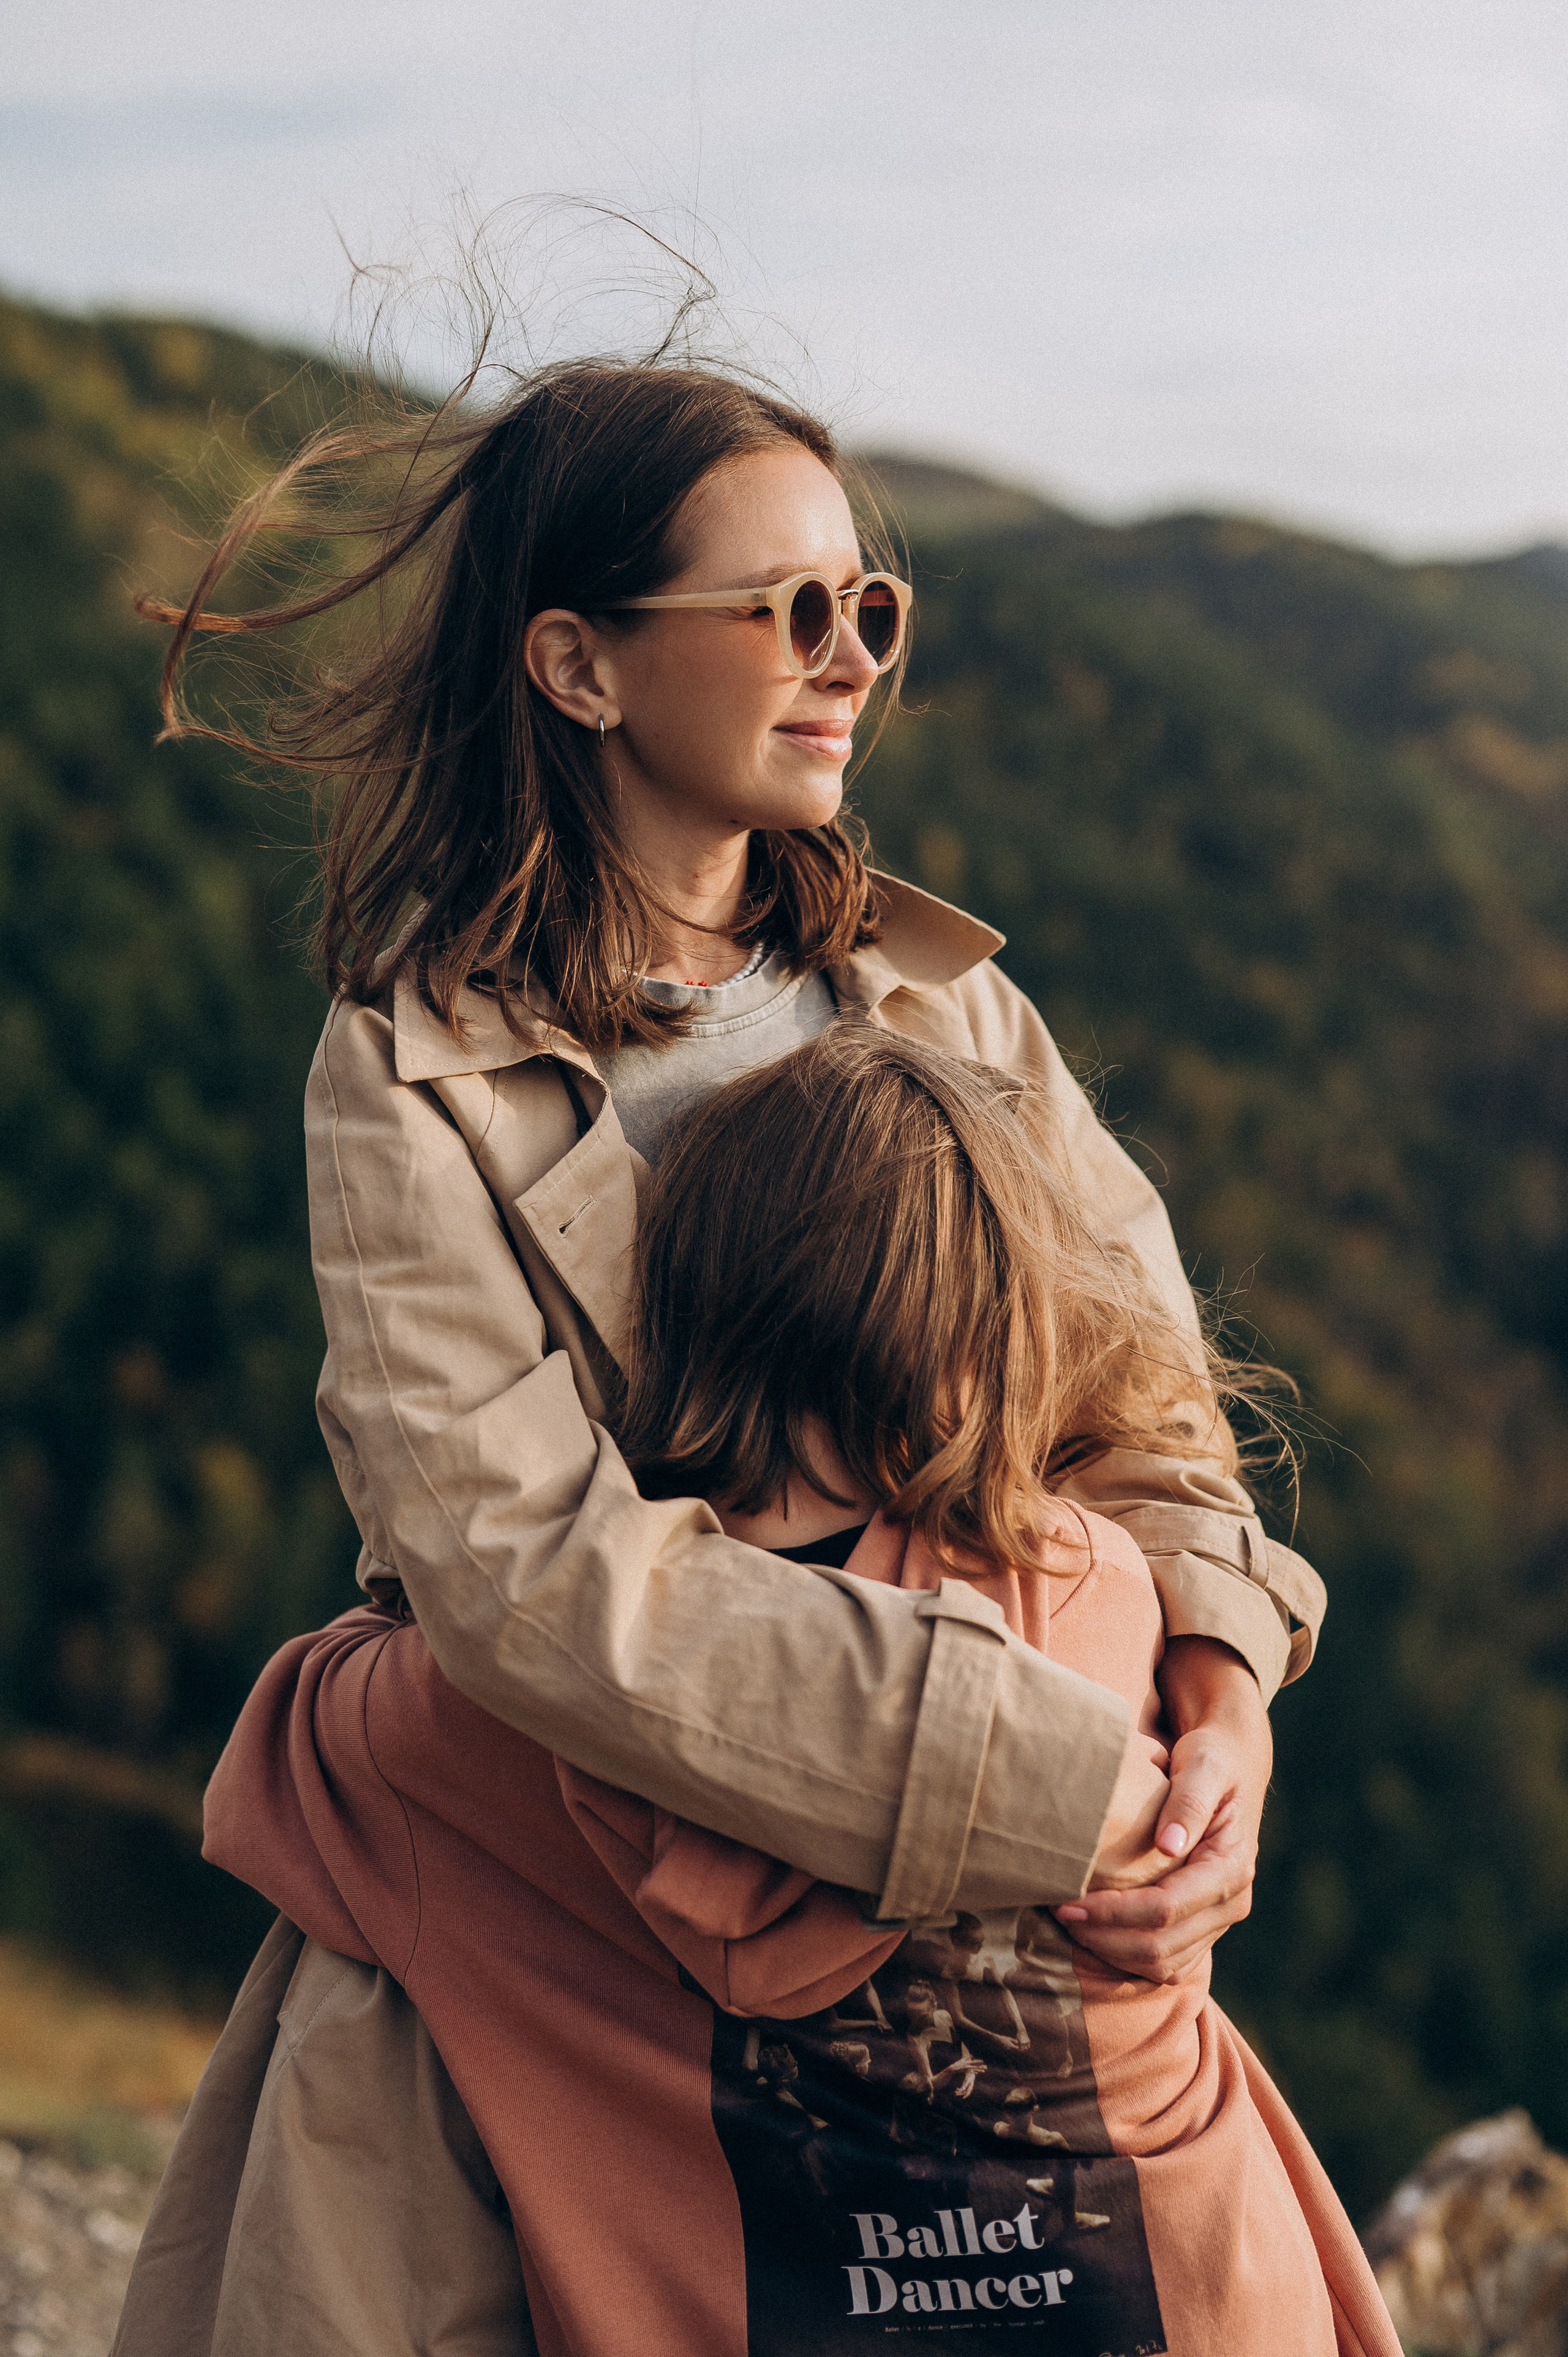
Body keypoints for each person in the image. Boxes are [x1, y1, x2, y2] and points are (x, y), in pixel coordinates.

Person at [114, 355, 1322, 2356]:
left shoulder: (949, 1007)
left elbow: (1149, 1402)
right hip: (577, 1908)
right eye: (785, 611)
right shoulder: (412, 1065)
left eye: (870, 609)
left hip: (999, 1924)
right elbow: (518, 1567)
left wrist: (1218, 1702)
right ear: (580, 666)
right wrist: (1034, 1774)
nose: (846, 659)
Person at [200, 1031, 1396, 2356]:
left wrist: (440, 1626)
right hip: (1179, 2296)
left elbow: (303, 1760)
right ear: (990, 1336)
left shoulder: (542, 1718)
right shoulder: (1098, 1600)